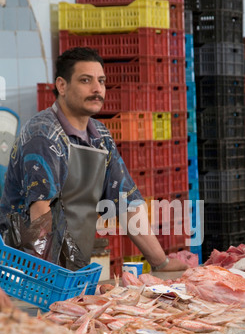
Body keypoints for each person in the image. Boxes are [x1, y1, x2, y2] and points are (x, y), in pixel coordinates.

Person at [0, 47, 188, 272]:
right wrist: (53, 276)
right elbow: (41, 212)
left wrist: (161, 262)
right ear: (62, 85)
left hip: (70, 269)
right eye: (85, 80)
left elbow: (127, 203)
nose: (97, 89)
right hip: (27, 271)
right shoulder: (44, 135)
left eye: (101, 81)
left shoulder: (101, 136)